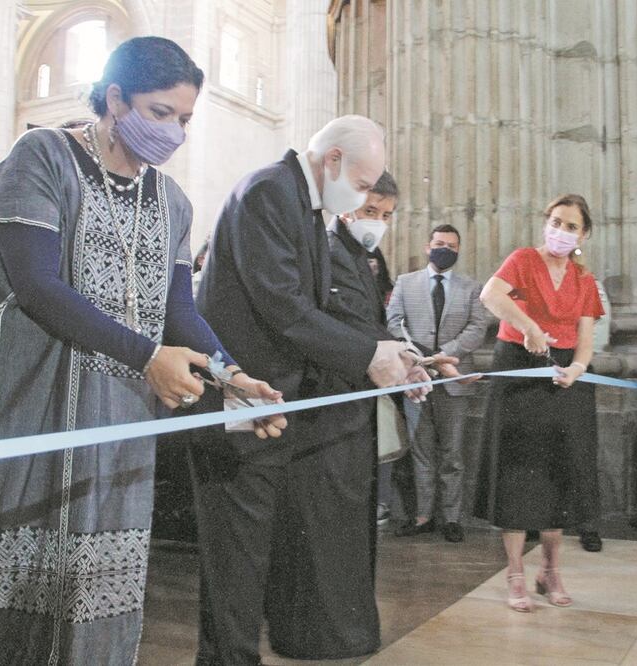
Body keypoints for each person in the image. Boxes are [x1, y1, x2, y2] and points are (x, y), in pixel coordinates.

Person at [0, 37, 283, 664]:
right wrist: (148, 357)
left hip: (112, 411)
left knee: (95, 588)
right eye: (159, 114)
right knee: (13, 583)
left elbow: (179, 311)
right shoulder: (41, 157)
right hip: (21, 391)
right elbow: (38, 285)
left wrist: (233, 377)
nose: (174, 133)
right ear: (114, 98)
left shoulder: (171, 201)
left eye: (184, 119)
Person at [190, 115, 431, 664]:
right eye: (365, 185)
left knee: (257, 558)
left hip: (272, 407)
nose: (365, 197)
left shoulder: (308, 207)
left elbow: (322, 307)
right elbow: (284, 306)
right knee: (236, 564)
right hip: (239, 402)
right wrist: (369, 355)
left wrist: (393, 352)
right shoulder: (269, 192)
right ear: (334, 161)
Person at [475, 193, 605, 613]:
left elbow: (586, 343)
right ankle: (515, 573)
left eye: (571, 226)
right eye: (555, 221)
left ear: (583, 234)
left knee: (559, 471)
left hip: (563, 377)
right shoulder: (523, 260)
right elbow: (490, 296)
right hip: (517, 368)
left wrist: (577, 369)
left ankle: (550, 571)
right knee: (515, 473)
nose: (561, 231)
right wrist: (529, 327)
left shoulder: (584, 280)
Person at [387, 224, 489, 542]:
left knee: (453, 453)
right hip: (416, 377)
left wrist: (446, 354)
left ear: (458, 250)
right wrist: (420, 355)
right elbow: (393, 321)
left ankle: (452, 517)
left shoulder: (472, 287)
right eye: (440, 243)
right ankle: (423, 515)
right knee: (420, 451)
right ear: (428, 246)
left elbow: (478, 326)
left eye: (452, 245)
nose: (445, 249)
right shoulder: (406, 283)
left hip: (454, 380)